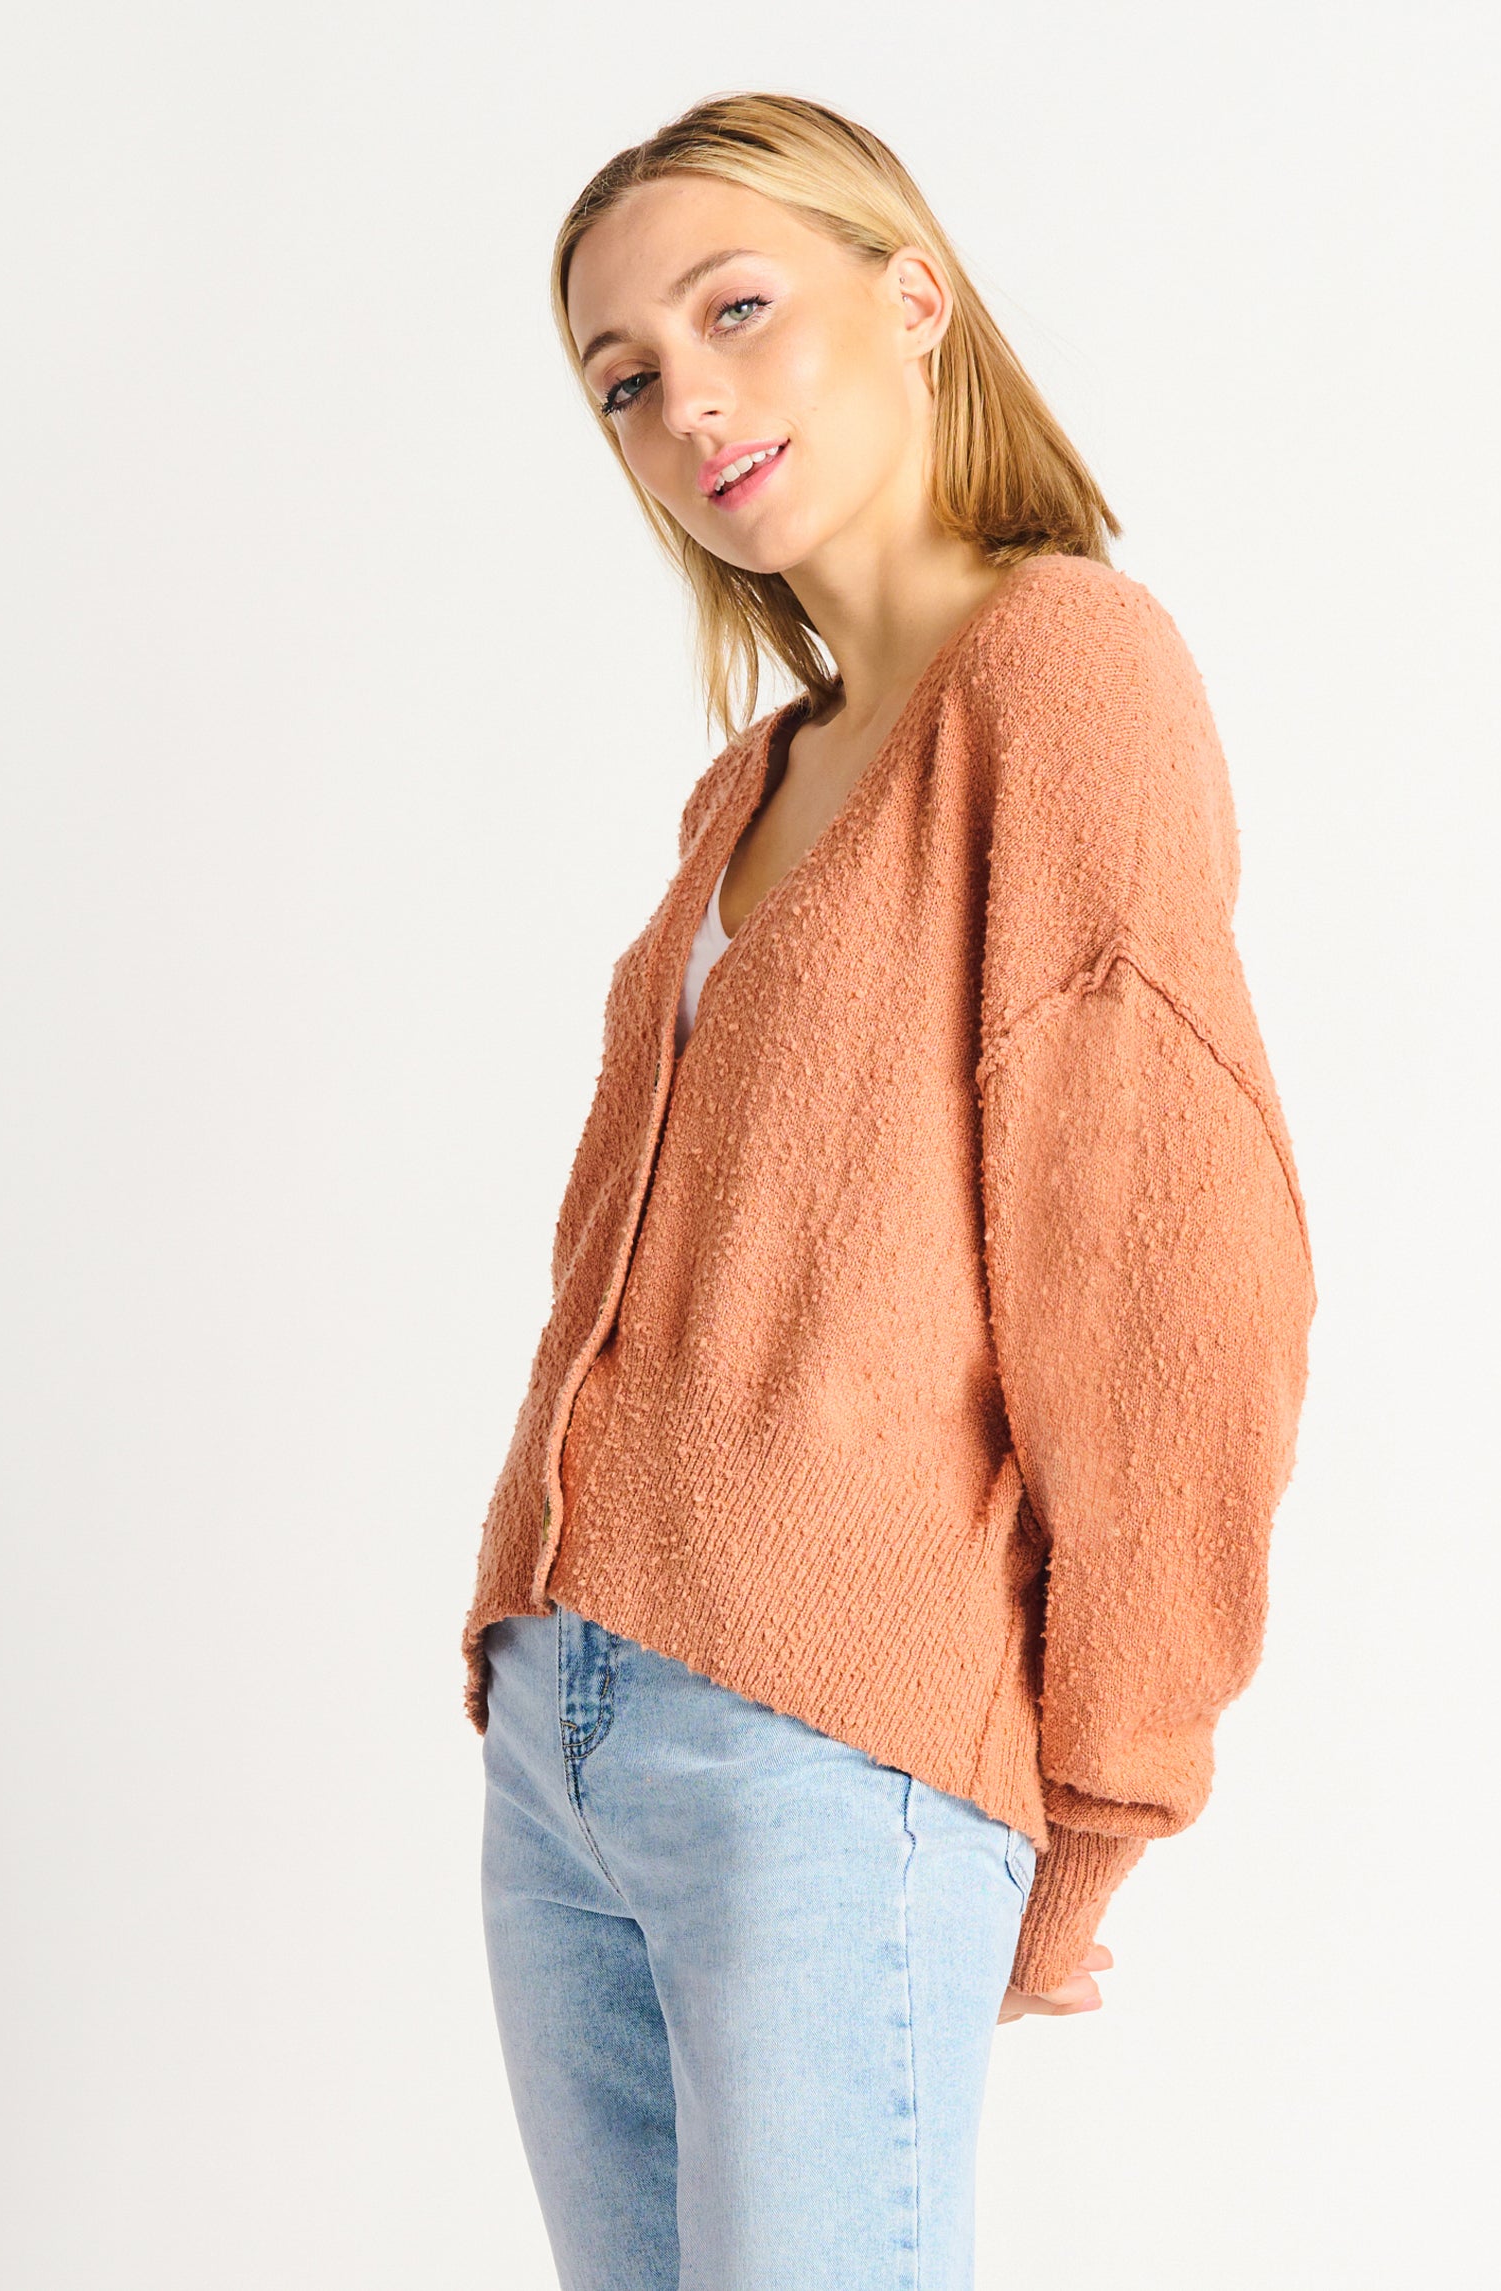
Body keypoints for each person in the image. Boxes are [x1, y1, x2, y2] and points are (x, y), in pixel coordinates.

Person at [461, 91, 1316, 2291]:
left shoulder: (1065, 670)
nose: (687, 400)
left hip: (824, 1737)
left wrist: (1105, 1790)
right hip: (568, 1735)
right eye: (625, 378)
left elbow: (1169, 1271)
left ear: (913, 295)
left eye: (736, 309)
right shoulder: (744, 787)